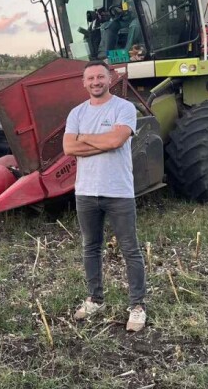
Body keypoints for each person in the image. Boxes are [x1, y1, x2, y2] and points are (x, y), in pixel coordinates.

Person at [62, 59, 147, 332]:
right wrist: (103, 141)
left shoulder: (124, 108)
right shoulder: (76, 112)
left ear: (110, 79)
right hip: (86, 191)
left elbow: (116, 141)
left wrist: (85, 138)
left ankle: (137, 306)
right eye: (90, 78)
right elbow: (68, 148)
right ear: (83, 83)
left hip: (118, 191)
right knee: (91, 247)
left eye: (100, 77)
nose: (96, 82)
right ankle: (95, 299)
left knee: (130, 248)